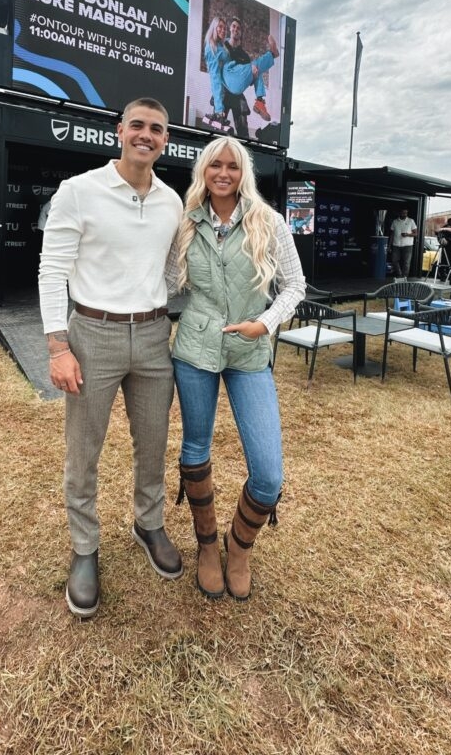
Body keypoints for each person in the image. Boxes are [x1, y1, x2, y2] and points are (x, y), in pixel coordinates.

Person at [38, 98, 184, 619]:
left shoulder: (172, 202)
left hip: (151, 337)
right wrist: (58, 346)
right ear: (119, 131)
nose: (147, 135)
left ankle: (148, 523)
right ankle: (85, 549)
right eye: (138, 126)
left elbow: (172, 269)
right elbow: (52, 270)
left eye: (157, 129)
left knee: (154, 444)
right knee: (84, 452)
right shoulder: (78, 192)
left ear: (165, 139)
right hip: (91, 335)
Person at [172, 137, 306, 601]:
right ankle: (208, 546)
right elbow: (168, 281)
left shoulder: (269, 223)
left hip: (249, 352)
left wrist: (264, 324)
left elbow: (295, 287)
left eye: (232, 165)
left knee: (268, 474)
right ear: (204, 172)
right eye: (215, 166)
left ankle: (239, 545)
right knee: (194, 451)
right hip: (195, 349)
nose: (223, 173)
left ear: (243, 171)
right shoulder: (186, 223)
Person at [203, 16, 278, 125]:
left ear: (241, 33)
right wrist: (219, 109)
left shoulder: (225, 47)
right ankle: (272, 54)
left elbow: (249, 78)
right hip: (227, 85)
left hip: (236, 83)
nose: (223, 30)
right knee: (254, 64)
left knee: (256, 68)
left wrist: (253, 74)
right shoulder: (212, 47)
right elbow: (215, 77)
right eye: (220, 27)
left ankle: (260, 102)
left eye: (224, 28)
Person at [389, 206, 418, 278]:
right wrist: (389, 246)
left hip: (408, 245)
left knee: (406, 262)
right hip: (396, 245)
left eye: (406, 213)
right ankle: (399, 275)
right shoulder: (395, 221)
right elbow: (392, 234)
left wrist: (407, 234)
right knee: (394, 260)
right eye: (403, 213)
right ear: (399, 213)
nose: (405, 214)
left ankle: (404, 277)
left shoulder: (411, 221)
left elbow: (416, 234)